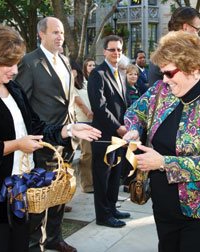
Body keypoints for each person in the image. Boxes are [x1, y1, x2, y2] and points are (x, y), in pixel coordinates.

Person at [0, 24, 101, 252]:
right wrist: (16, 145)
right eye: (8, 64)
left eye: (16, 63)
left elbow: (37, 127)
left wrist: (69, 130)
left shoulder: (15, 90)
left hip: (21, 192)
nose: (14, 70)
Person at [123, 31, 200, 252]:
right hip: (165, 211)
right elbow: (136, 112)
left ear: (195, 69)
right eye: (162, 73)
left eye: (170, 73)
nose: (164, 79)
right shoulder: (162, 91)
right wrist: (134, 129)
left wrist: (163, 163)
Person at [15, 17, 78, 252]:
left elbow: (67, 102)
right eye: (55, 32)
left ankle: (55, 237)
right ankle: (34, 244)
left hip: (67, 140)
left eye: (61, 32)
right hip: (43, 143)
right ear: (42, 34)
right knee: (39, 197)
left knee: (61, 193)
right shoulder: (29, 63)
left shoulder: (64, 60)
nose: (60, 36)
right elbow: (23, 105)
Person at [87, 35, 131, 228]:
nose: (116, 53)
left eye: (119, 50)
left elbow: (125, 103)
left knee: (115, 175)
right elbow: (99, 107)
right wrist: (118, 128)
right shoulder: (98, 74)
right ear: (104, 51)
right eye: (112, 50)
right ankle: (103, 216)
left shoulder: (121, 73)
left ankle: (112, 209)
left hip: (120, 136)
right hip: (104, 136)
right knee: (102, 177)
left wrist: (129, 124)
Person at [148, 6, 200, 86]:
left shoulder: (162, 52)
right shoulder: (164, 55)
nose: (197, 35)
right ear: (185, 28)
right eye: (196, 29)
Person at [73, 58, 95, 193]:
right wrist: (89, 112)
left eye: (73, 70)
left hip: (93, 121)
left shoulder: (85, 83)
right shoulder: (70, 85)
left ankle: (93, 182)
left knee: (93, 155)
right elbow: (80, 103)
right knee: (87, 154)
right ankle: (86, 185)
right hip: (82, 122)